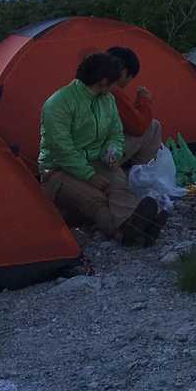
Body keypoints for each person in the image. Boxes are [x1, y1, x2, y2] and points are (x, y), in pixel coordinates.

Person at [38, 52, 163, 246]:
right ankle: (125, 233)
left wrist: (113, 151)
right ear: (104, 82)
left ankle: (137, 225)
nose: (116, 87)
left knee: (118, 185)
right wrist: (89, 176)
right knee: (97, 200)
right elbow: (62, 150)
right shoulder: (58, 104)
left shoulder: (107, 100)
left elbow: (116, 133)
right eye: (114, 82)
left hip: (96, 160)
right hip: (58, 170)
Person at [106, 45, 162, 168]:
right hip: (98, 155)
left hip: (79, 148)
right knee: (153, 126)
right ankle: (142, 171)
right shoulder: (112, 91)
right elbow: (138, 127)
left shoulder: (86, 83)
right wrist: (144, 100)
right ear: (124, 72)